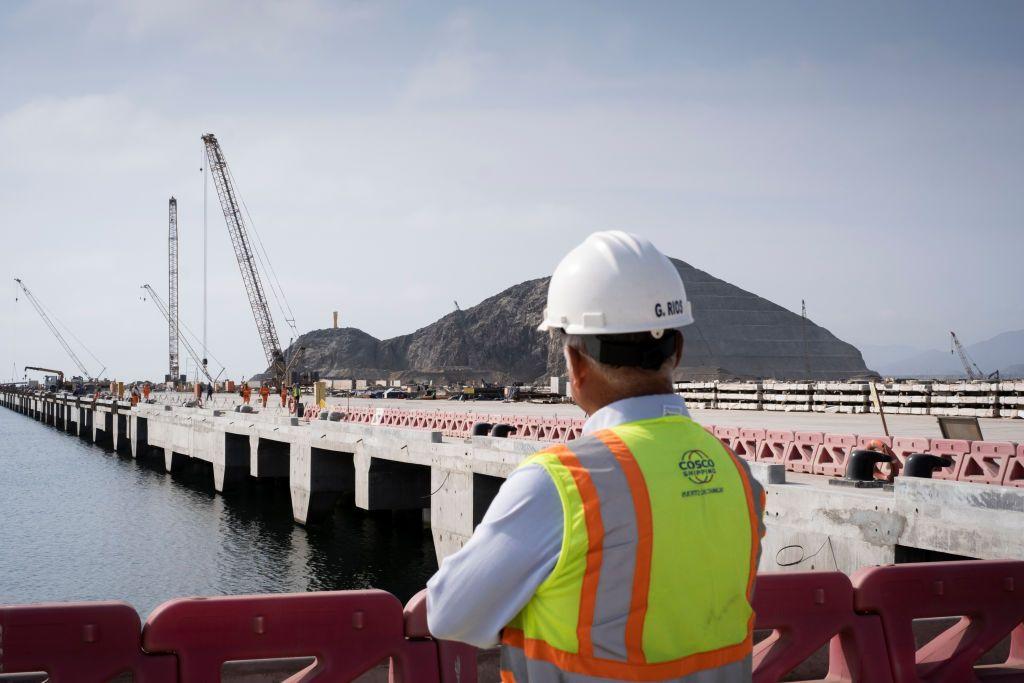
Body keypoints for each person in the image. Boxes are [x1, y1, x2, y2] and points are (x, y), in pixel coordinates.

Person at [426, 231, 766, 682]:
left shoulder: (562, 484)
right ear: (677, 351)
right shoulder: (739, 477)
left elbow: (449, 615)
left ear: (576, 365)